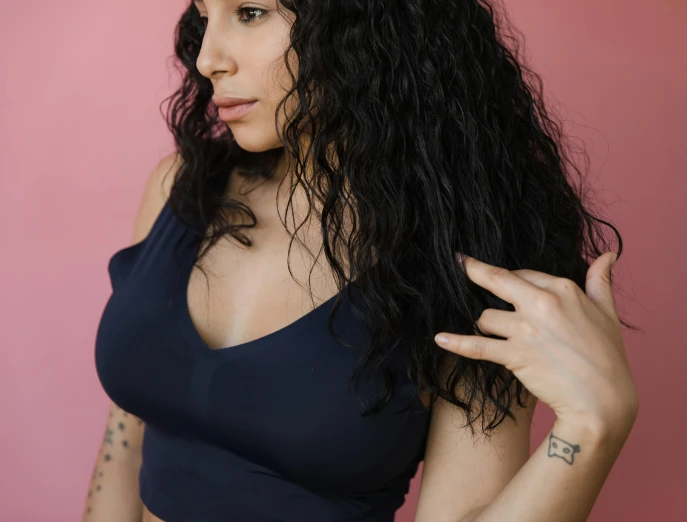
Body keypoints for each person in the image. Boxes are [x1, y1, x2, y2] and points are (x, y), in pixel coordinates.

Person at [83, 1, 638, 521]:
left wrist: (594, 429)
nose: (207, 58)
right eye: (205, 16)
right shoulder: (182, 190)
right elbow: (126, 441)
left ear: (363, 21)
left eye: (250, 12)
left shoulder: (465, 263)